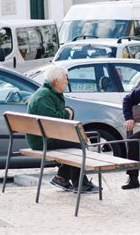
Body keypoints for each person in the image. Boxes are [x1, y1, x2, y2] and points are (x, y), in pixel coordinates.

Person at [26, 65, 99, 193]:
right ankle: (81, 184)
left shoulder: (51, 93)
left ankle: (61, 178)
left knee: (73, 142)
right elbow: (53, 122)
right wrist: (67, 113)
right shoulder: (44, 96)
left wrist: (67, 113)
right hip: (42, 139)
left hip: (46, 136)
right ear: (55, 81)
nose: (67, 81)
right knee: (77, 143)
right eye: (65, 78)